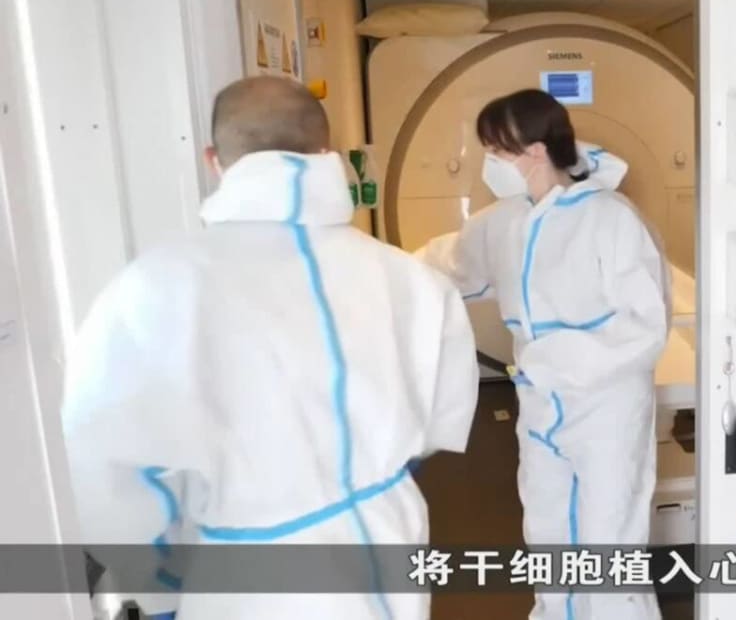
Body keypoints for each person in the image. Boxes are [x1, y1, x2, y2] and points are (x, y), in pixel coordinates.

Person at [61, 75, 480, 619]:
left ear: (214, 160)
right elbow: (441, 419)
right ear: (328, 153)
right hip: (387, 549)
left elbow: (105, 468)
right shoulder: (411, 279)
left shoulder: (153, 288)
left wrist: (160, 586)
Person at [418, 89, 669, 620]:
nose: (489, 162)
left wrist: (558, 359)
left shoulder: (610, 218)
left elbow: (644, 326)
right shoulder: (503, 221)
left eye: (496, 151)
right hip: (540, 406)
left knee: (609, 540)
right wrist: (373, 270)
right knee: (548, 532)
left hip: (605, 406)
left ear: (534, 150)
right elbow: (451, 266)